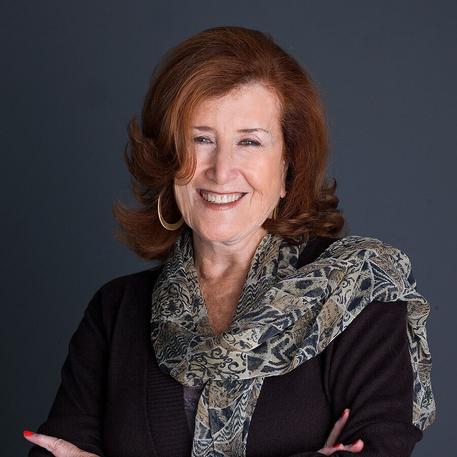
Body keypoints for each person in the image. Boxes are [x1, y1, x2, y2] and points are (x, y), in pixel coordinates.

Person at [23, 26, 436, 457]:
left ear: (288, 165)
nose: (221, 171)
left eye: (249, 142)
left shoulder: (359, 294)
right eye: (201, 139)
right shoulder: (116, 312)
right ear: (169, 157)